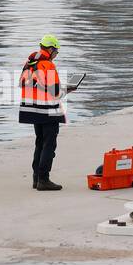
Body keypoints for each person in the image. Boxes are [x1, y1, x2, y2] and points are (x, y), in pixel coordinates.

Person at [19, 34, 77, 191]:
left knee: (39, 142)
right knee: (49, 144)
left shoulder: (30, 62)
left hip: (32, 109)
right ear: (50, 49)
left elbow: (22, 83)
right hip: (47, 110)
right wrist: (68, 89)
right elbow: (55, 90)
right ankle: (44, 179)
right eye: (56, 52)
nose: (56, 55)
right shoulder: (48, 65)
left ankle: (36, 178)